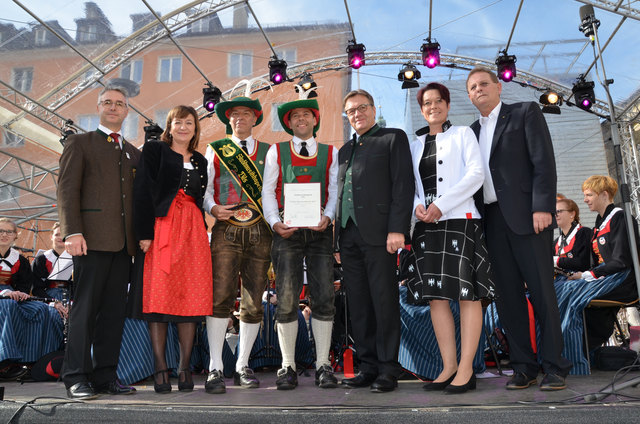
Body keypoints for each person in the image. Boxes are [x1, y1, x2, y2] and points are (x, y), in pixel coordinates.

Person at [466, 66, 572, 390]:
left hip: (529, 217)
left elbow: (543, 162)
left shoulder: (525, 112)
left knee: (541, 292)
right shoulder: (470, 131)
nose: (478, 90)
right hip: (491, 222)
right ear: (469, 96)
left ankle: (555, 366)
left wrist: (542, 206)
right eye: (472, 87)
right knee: (508, 298)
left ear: (499, 87)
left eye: (484, 83)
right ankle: (524, 367)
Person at [407, 83, 494, 394]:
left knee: (467, 295)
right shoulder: (414, 144)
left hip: (460, 221)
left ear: (447, 104)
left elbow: (476, 175)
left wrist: (440, 205)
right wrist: (417, 205)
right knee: (436, 298)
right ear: (421, 109)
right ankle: (448, 366)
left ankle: (467, 368)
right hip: (427, 228)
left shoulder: (462, 134)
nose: (433, 106)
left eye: (438, 101)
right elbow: (411, 185)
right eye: (427, 102)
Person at [57, 85, 140, 399]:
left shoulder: (133, 152)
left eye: (120, 103)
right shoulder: (80, 143)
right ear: (99, 107)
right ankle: (75, 376)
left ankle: (106, 376)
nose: (114, 107)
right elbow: (66, 190)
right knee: (85, 311)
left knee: (113, 314)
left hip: (123, 246)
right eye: (108, 102)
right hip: (89, 242)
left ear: (127, 110)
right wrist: (72, 231)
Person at [335, 89, 414, 392]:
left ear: (373, 108)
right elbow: (341, 194)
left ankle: (388, 369)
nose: (357, 114)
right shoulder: (344, 150)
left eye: (362, 108)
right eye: (351, 110)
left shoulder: (393, 138)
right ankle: (367, 366)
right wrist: (336, 242)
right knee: (358, 304)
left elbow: (402, 185)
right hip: (348, 236)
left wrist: (398, 229)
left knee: (384, 301)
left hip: (381, 234)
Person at [133, 105, 212, 393]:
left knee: (190, 298)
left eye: (188, 123)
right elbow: (142, 189)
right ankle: (160, 368)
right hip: (162, 228)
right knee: (160, 298)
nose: (183, 127)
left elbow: (203, 198)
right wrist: (144, 233)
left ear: (195, 127)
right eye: (178, 122)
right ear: (169, 125)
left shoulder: (201, 160)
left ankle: (185, 366)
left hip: (193, 230)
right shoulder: (155, 150)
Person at [262, 98, 338, 390]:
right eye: (295, 116)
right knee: (287, 297)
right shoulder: (276, 151)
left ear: (315, 120)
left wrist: (328, 217)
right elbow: (268, 190)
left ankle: (322, 364)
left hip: (318, 230)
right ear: (289, 123)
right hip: (287, 230)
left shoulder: (332, 152)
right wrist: (274, 221)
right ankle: (287, 365)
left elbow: (334, 190)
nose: (301, 119)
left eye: (306, 114)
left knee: (323, 296)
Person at [203, 96, 272, 394]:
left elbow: (273, 192)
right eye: (235, 114)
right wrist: (213, 208)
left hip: (260, 230)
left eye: (246, 113)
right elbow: (205, 190)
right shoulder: (216, 149)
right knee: (219, 297)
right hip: (225, 228)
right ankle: (215, 366)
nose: (240, 118)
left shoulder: (269, 151)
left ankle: (242, 363)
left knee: (254, 299)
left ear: (255, 118)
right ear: (228, 120)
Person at [554, 176, 639, 373]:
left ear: (604, 195)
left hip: (623, 280)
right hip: (606, 278)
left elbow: (620, 261)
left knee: (571, 296)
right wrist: (585, 274)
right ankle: (561, 355)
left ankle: (575, 363)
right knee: (561, 291)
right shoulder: (600, 223)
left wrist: (586, 275)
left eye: (589, 195)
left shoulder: (620, 217)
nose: (585, 199)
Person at [0, 218, 63, 380]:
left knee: (42, 310)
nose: (4, 235)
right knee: (8, 306)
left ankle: (35, 361)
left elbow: (24, 285)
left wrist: (20, 293)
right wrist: (5, 293)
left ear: (15, 236)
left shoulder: (19, 260)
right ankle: (5, 362)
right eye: (1, 231)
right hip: (4, 298)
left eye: (9, 231)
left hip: (13, 296)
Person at [32, 222, 72, 318]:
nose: (60, 237)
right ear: (51, 236)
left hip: (71, 297)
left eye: (64, 235)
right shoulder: (41, 259)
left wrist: (72, 303)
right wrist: (52, 302)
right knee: (52, 316)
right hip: (48, 297)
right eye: (57, 234)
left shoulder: (76, 259)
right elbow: (37, 289)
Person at [553, 198, 592, 274]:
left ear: (572, 214)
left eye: (559, 211)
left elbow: (584, 263)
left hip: (581, 281)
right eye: (554, 212)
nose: (556, 215)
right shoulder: (556, 242)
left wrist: (557, 261)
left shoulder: (584, 233)